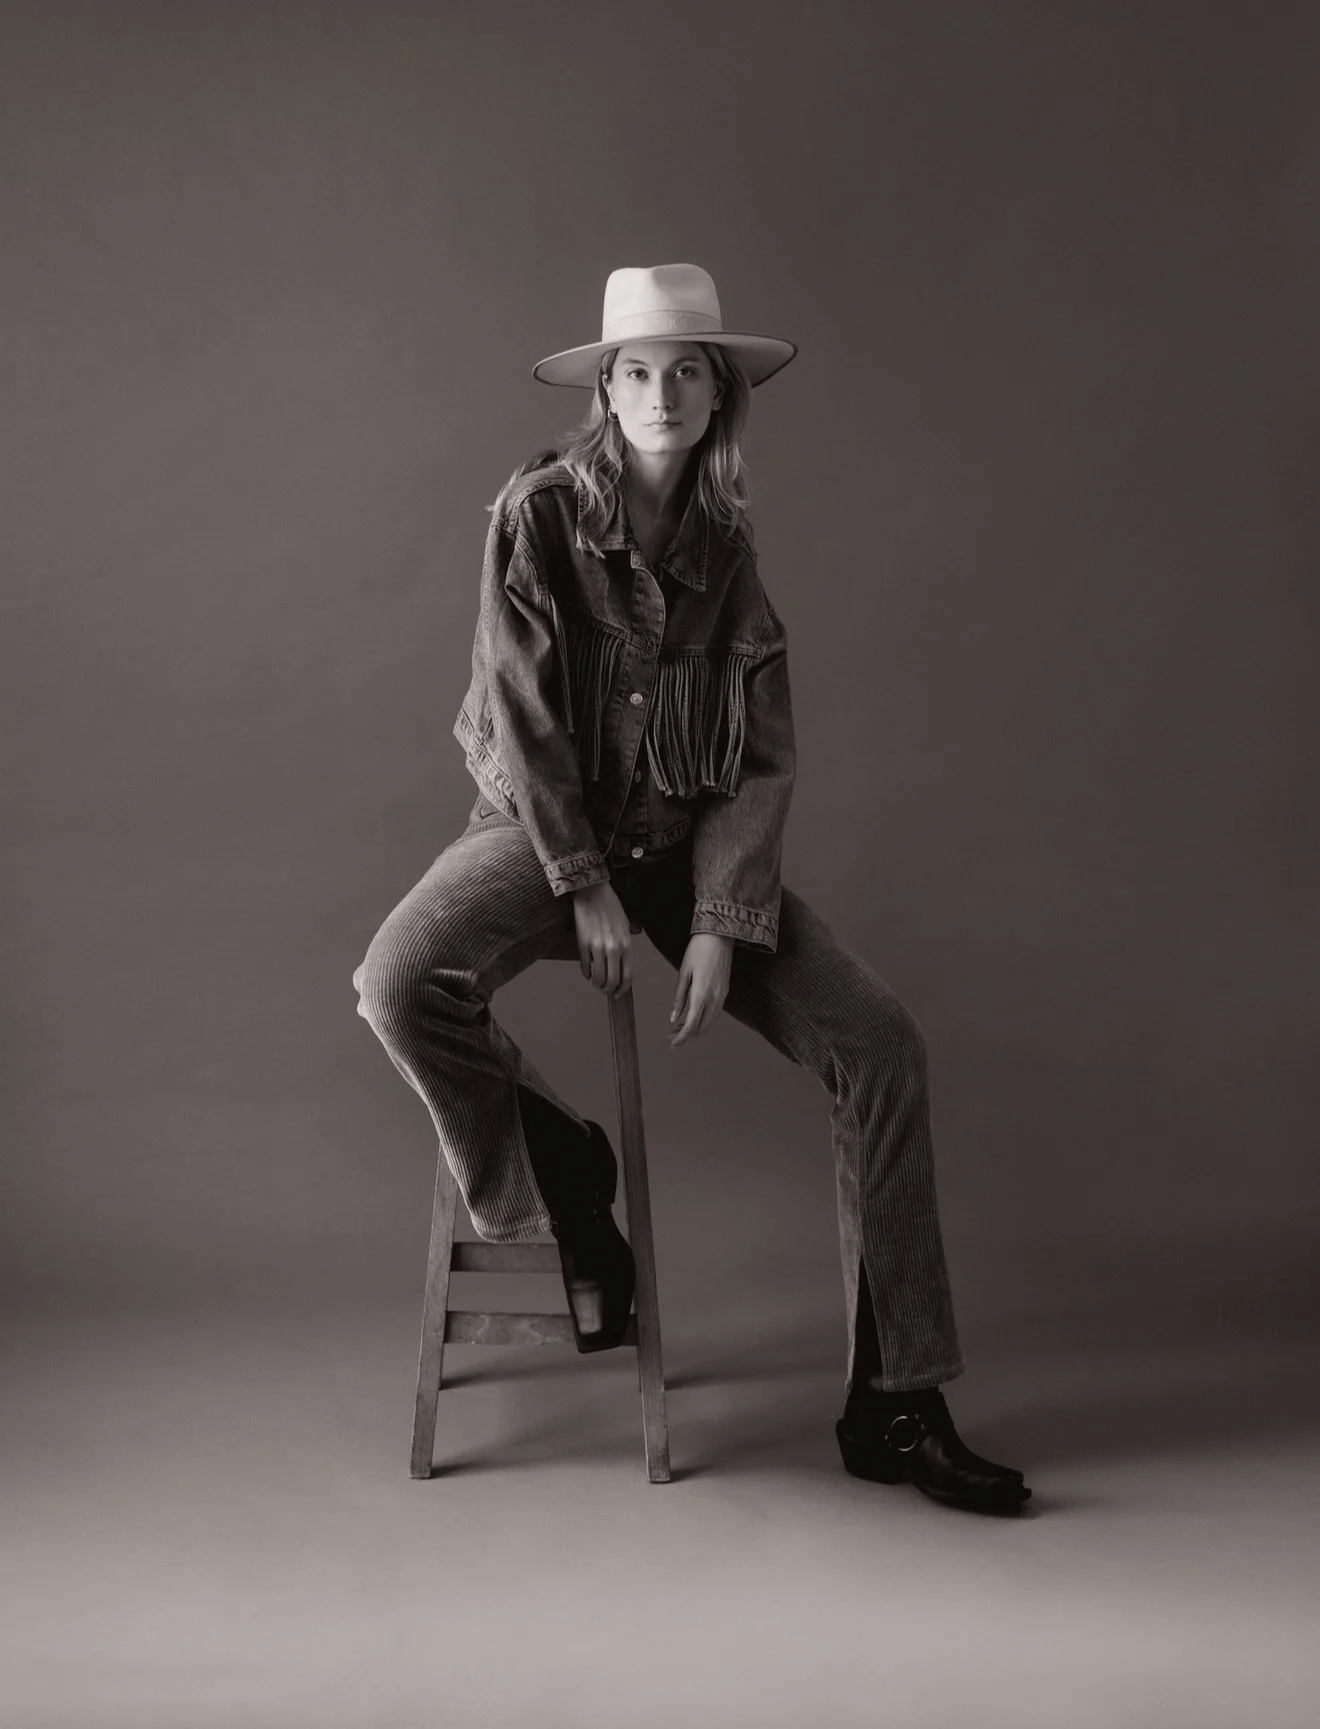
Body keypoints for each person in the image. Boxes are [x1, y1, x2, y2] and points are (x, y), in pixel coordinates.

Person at [353, 263, 1030, 1513]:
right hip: (537, 832)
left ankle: (895, 1404)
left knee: (882, 1047)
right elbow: (525, 719)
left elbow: (759, 763)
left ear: (720, 395)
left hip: (677, 848)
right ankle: (562, 1166)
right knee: (396, 981)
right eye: (637, 371)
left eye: (686, 371)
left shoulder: (729, 554)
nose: (661, 393)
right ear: (606, 391)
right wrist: (579, 882)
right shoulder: (540, 515)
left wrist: (721, 921)